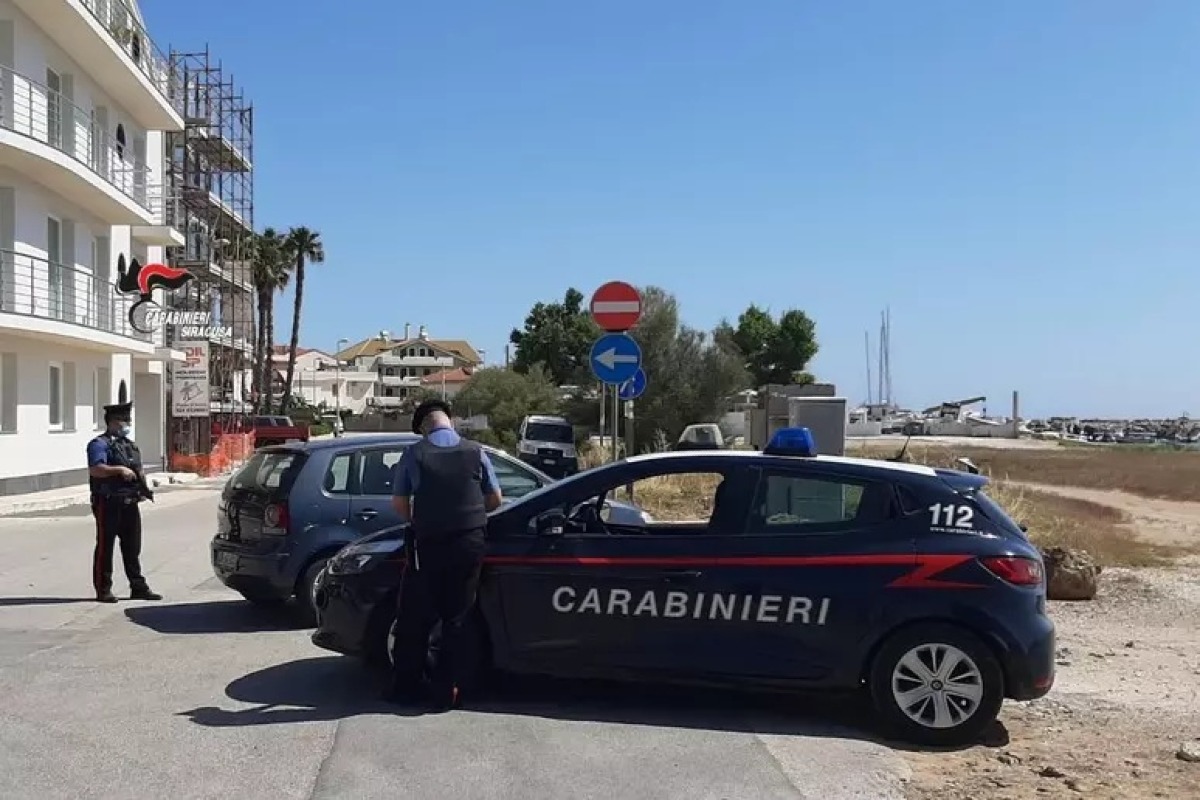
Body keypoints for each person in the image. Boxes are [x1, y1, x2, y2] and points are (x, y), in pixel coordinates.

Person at [386, 399, 503, 710]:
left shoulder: (414, 453)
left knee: (415, 615)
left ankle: (407, 687)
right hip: (469, 543)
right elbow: (495, 498)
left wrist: (423, 519)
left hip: (428, 545)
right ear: (449, 420)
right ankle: (448, 690)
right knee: (458, 617)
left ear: (424, 426)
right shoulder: (476, 451)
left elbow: (399, 504)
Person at [87, 402, 161, 604]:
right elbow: (96, 469)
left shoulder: (129, 445)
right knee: (105, 546)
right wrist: (118, 470)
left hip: (130, 502)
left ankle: (138, 586)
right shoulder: (99, 444)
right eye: (123, 420)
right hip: (108, 502)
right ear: (112, 422)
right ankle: (103, 589)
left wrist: (143, 488)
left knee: (132, 547)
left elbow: (138, 469)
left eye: (128, 420)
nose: (127, 424)